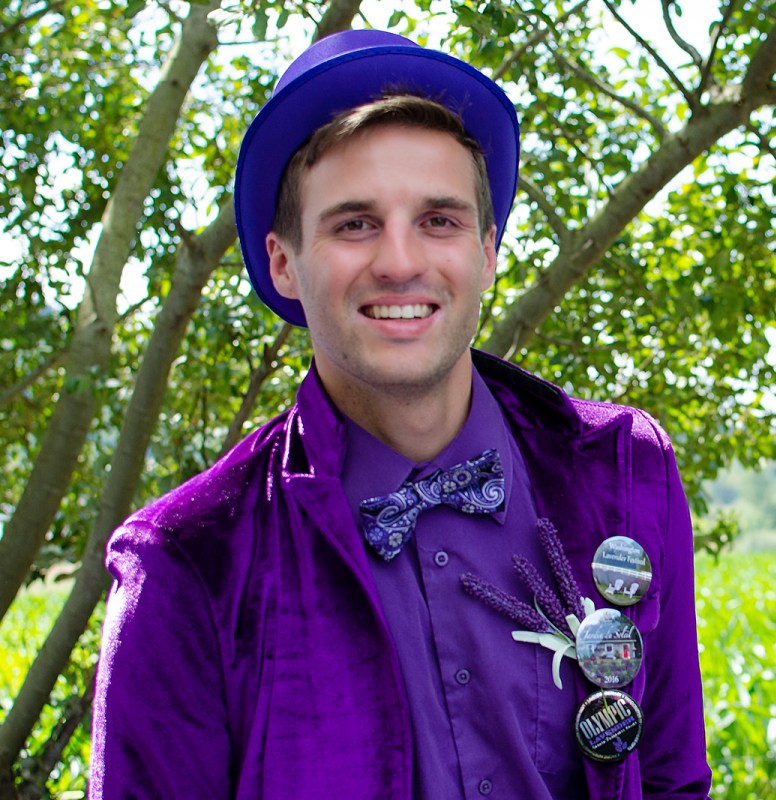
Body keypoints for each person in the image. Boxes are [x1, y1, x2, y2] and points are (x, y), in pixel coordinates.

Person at [90, 28, 712, 800]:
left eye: (438, 220)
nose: (400, 262)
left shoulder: (624, 470)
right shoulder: (187, 563)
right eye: (355, 224)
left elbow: (672, 780)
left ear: (488, 251)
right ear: (284, 262)